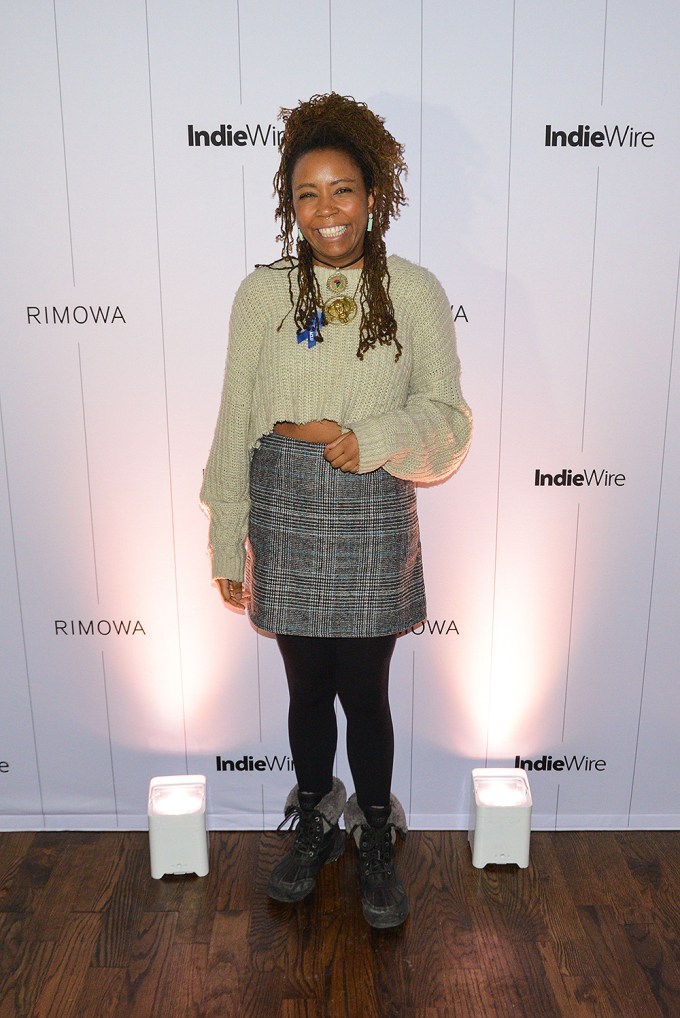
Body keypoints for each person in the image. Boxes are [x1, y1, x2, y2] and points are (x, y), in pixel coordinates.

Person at [200, 93, 472, 929]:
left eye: (343, 189)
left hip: (371, 501)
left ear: (373, 195)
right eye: (308, 193)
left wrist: (376, 437)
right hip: (284, 501)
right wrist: (225, 537)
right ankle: (317, 816)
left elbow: (450, 419)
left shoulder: (416, 292)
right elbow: (234, 418)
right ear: (290, 203)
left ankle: (375, 830)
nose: (327, 210)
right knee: (307, 687)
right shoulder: (263, 295)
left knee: (365, 688)